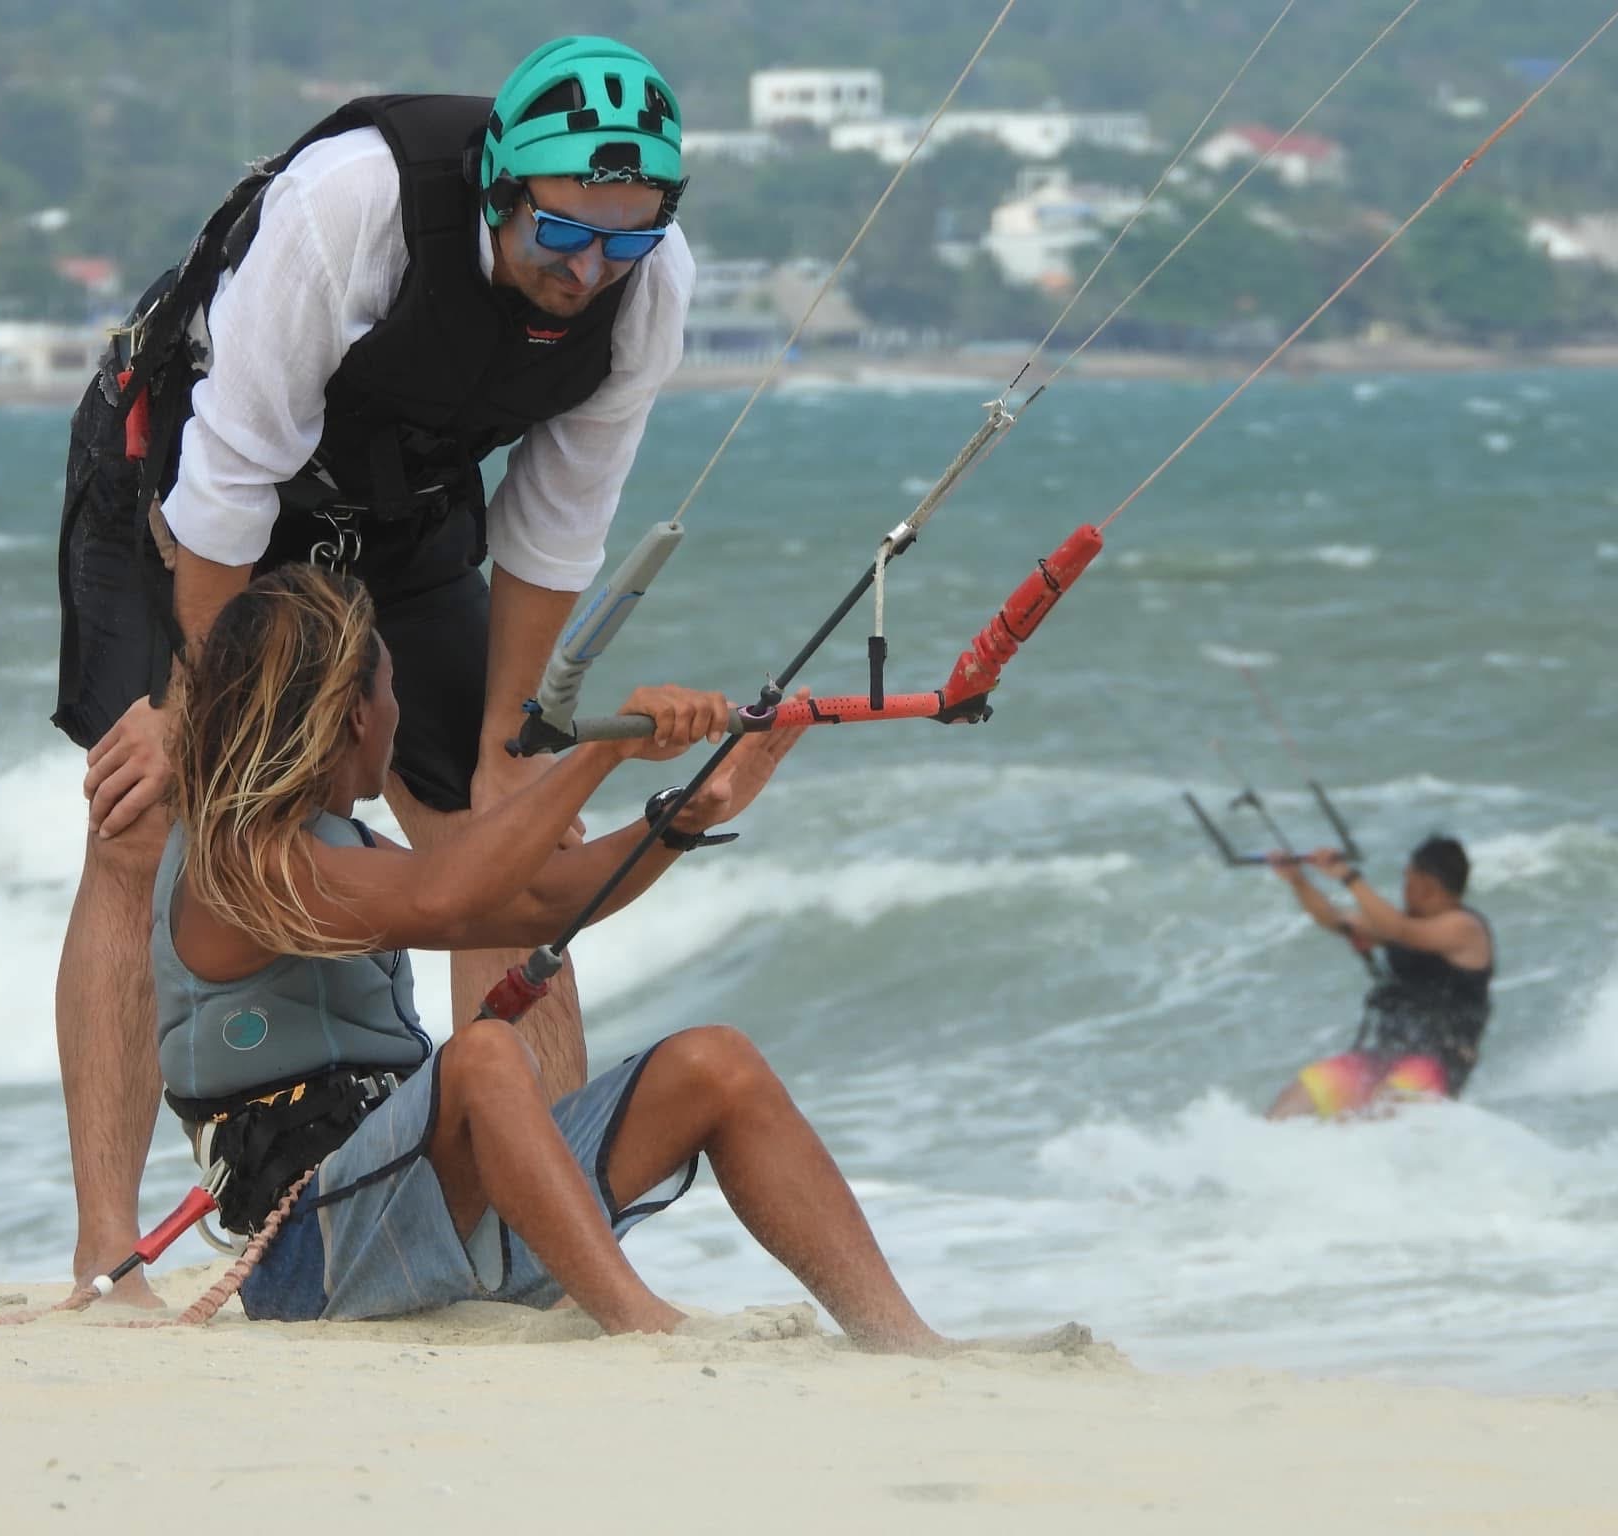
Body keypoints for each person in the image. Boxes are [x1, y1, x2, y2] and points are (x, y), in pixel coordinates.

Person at [49, 35, 696, 1300]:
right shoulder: (352, 202)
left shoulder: (646, 284)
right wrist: (191, 708)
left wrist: (513, 732)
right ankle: (105, 1255)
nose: (589, 271)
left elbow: (556, 527)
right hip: (185, 496)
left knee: (488, 811)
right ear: (502, 186)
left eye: (623, 242)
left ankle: (534, 1245)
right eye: (562, 235)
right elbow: (229, 486)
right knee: (141, 817)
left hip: (397, 514)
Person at [154, 566, 1012, 1352]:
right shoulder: (237, 864)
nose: (399, 713)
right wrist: (600, 752)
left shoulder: (338, 847)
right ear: (352, 715)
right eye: (392, 691)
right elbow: (448, 894)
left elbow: (536, 901)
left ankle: (904, 1340)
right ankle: (643, 1325)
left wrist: (682, 818)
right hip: (312, 1259)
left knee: (717, 1066)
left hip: (432, 1217)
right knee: (486, 1055)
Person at [1264, 836, 1494, 1120]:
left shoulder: (1464, 927)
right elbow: (1337, 919)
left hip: (1438, 1062)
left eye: (1408, 879)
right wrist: (1298, 880)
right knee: (1291, 1104)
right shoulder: (1405, 923)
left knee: (1380, 1113)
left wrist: (1347, 876)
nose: (1404, 887)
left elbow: (1400, 930)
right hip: (1384, 1055)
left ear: (1428, 884)